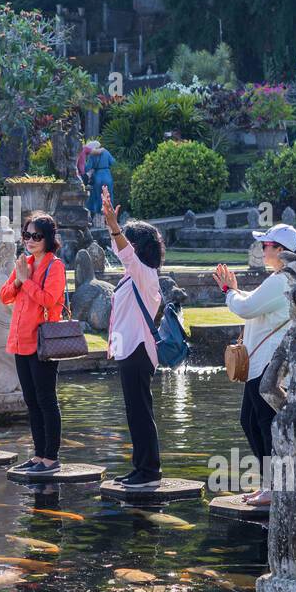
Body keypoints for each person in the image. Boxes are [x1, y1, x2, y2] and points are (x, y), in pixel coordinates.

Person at [211, 223, 296, 505]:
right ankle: (269, 485)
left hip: (267, 365)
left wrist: (229, 290)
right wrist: (235, 292)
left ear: (281, 251)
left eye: (266, 246)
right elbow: (253, 304)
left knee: (264, 423)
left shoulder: (283, 280)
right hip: (264, 364)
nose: (262, 251)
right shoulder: (285, 277)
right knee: (252, 421)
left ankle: (274, 488)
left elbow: (245, 307)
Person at [102, 186, 166, 487]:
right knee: (135, 411)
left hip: (139, 351)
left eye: (128, 238)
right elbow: (123, 253)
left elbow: (124, 253)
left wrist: (115, 229)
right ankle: (141, 467)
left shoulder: (143, 273)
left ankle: (149, 471)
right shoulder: (134, 274)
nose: (121, 243)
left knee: (140, 411)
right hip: (128, 350)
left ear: (137, 247)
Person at [0, 212, 66, 473]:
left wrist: (25, 281)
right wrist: (19, 278)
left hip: (43, 343)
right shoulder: (24, 262)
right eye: (26, 235)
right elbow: (4, 295)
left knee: (46, 399)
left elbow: (49, 300)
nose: (29, 240)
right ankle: (39, 455)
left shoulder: (55, 266)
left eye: (35, 236)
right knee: (31, 400)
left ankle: (51, 457)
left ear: (48, 238)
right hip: (20, 341)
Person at [84, 140, 115, 218]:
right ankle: (110, 215)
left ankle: (99, 216)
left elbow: (87, 168)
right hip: (107, 175)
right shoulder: (106, 152)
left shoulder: (92, 155)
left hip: (97, 176)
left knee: (98, 197)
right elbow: (113, 162)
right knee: (109, 196)